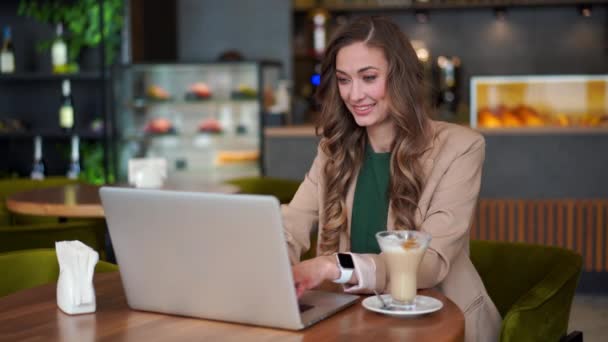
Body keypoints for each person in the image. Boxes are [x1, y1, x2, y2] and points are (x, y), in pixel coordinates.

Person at [281, 16, 501, 342]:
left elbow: (429, 264)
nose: (354, 94)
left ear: (400, 78)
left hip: (440, 322)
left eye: (368, 77)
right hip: (354, 319)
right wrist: (276, 264)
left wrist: (333, 266)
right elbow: (293, 222)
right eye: (343, 80)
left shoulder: (461, 148)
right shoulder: (333, 150)